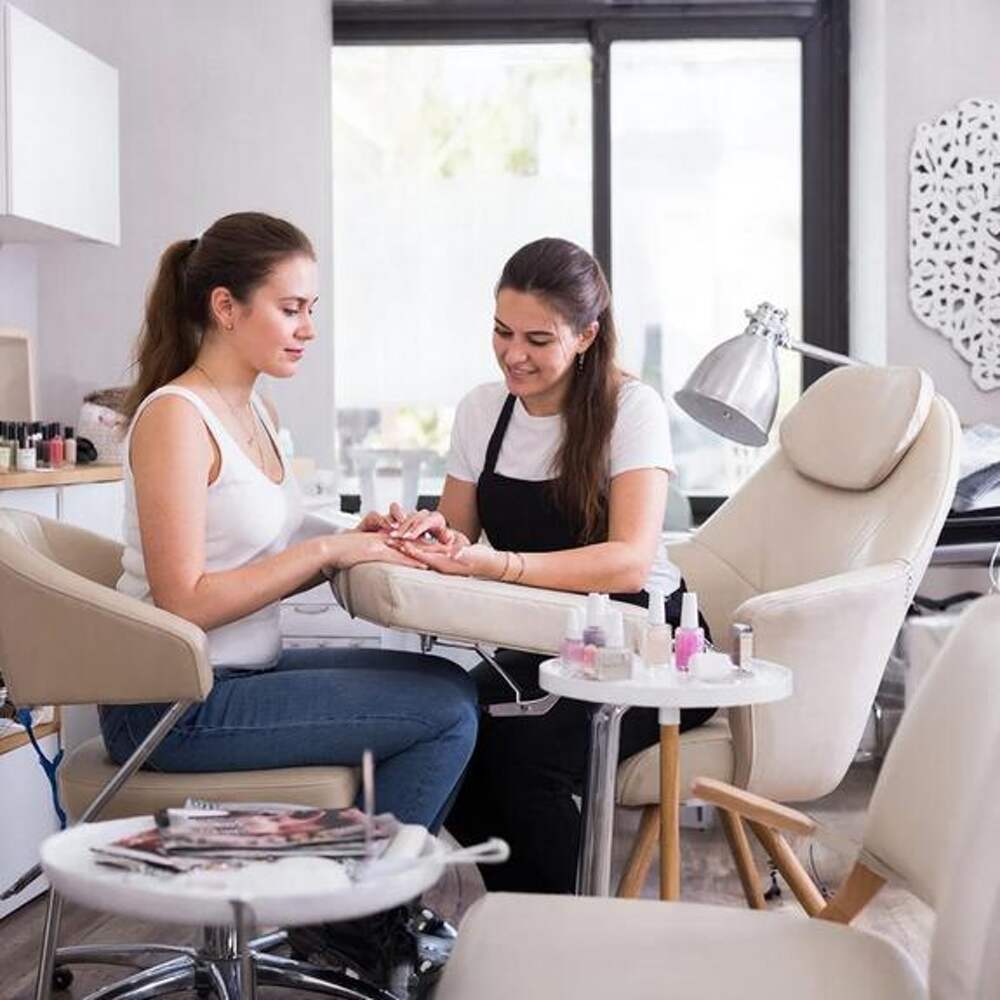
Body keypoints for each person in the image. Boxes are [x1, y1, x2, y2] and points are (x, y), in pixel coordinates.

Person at [100, 211, 478, 838]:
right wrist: (328, 551)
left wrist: (361, 540)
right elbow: (184, 600)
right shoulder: (176, 418)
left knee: (452, 685)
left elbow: (265, 550)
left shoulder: (257, 410)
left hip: (242, 672)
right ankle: (357, 895)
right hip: (171, 704)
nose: (308, 328)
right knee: (443, 713)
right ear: (226, 307)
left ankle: (355, 884)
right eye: (291, 309)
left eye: (311, 309)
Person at [385, 236, 713, 894]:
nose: (514, 354)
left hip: (647, 646)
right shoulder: (483, 410)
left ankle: (569, 931)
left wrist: (498, 565)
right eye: (502, 331)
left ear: (587, 335)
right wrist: (424, 534)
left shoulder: (632, 409)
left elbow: (627, 563)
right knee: (439, 732)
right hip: (545, 641)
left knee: (519, 755)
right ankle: (530, 920)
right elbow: (458, 532)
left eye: (538, 339)